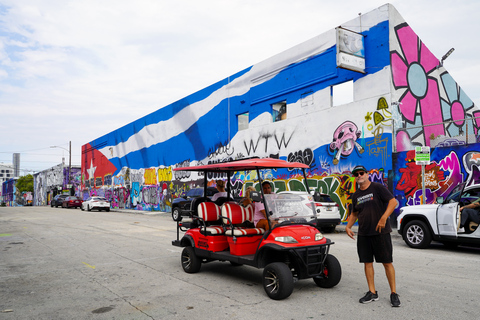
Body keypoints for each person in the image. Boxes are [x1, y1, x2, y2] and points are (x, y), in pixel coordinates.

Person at [345, 165, 401, 307]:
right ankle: (372, 292)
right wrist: (348, 226)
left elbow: (393, 202)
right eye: (356, 174)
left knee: (387, 262)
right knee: (367, 262)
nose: (359, 175)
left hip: (381, 233)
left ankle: (393, 293)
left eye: (361, 173)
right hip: (364, 233)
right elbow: (354, 213)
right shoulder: (356, 195)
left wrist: (383, 218)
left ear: (367, 174)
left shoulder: (377, 188)